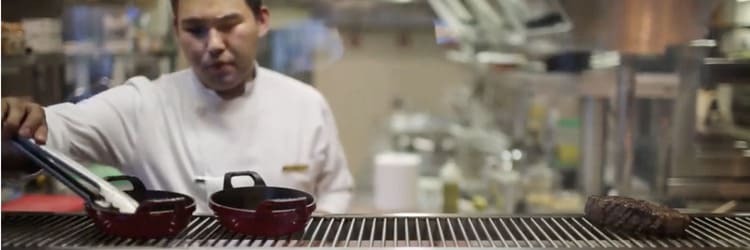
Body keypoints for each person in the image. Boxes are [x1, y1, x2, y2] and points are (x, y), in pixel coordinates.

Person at [1, 0, 354, 214]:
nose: (213, 44)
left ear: (262, 20)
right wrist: (21, 124)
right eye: (196, 29)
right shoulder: (142, 105)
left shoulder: (305, 104)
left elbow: (336, 190)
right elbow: (53, 130)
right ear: (176, 29)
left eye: (229, 25)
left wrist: (313, 230)